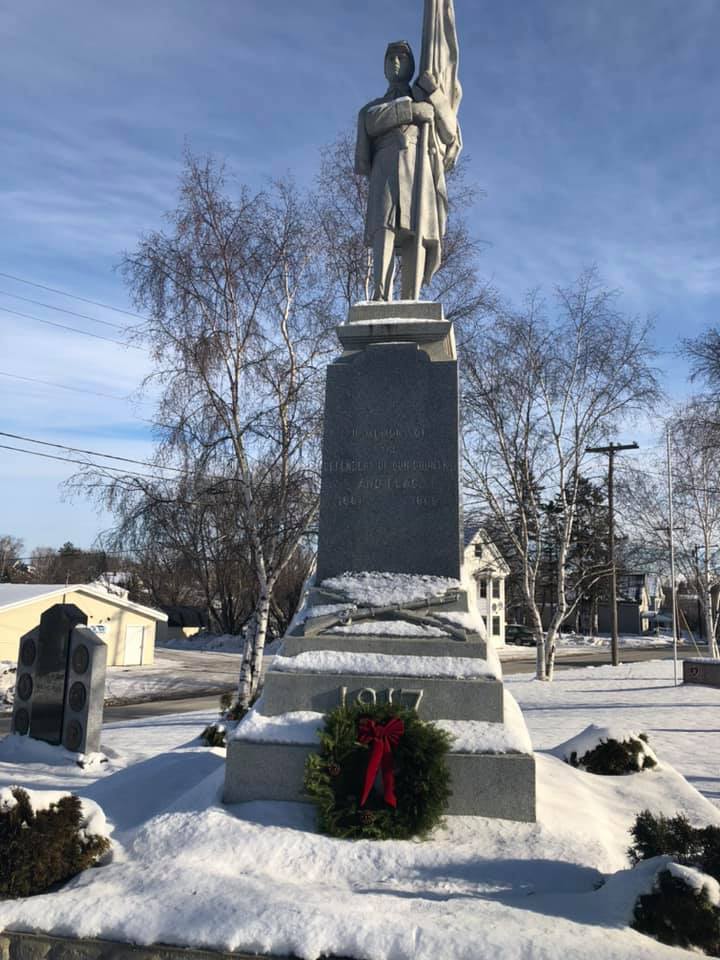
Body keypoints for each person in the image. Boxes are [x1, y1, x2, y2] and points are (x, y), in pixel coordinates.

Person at [355, 40, 461, 301]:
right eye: (390, 59)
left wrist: (434, 94)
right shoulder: (374, 106)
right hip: (386, 168)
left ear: (412, 64)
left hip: (418, 167)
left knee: (418, 228)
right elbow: (371, 121)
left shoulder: (427, 98)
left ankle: (410, 297)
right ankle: (380, 295)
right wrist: (411, 110)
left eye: (401, 58)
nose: (395, 63)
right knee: (384, 228)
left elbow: (450, 133)